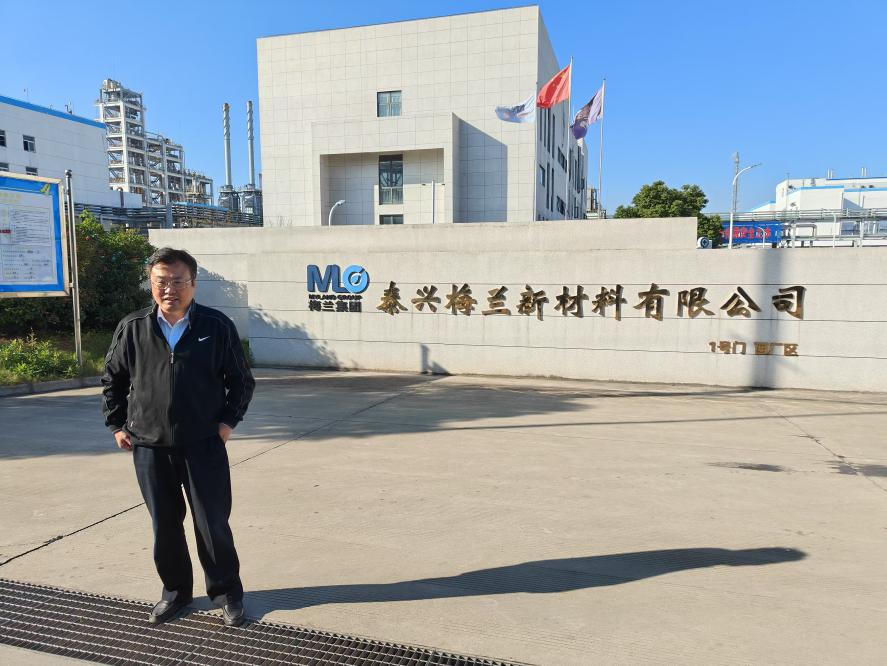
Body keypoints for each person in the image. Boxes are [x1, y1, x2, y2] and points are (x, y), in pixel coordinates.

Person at [102, 247, 255, 626]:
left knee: (212, 523)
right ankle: (175, 593)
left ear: (193, 283)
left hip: (203, 444)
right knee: (165, 525)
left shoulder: (216, 326)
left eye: (178, 281)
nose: (169, 289)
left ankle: (226, 594)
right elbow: (113, 380)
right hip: (149, 445)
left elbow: (241, 380)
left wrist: (227, 423)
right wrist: (117, 425)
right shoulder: (133, 327)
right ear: (151, 283)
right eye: (161, 281)